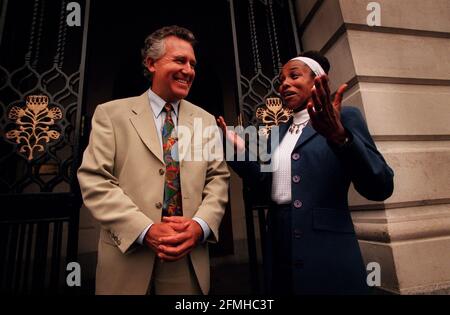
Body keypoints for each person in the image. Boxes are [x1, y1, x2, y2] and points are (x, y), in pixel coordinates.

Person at [218, 51, 394, 294]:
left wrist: (340, 138)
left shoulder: (344, 117)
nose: (285, 84)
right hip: (278, 238)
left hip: (326, 245)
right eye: (281, 80)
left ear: (318, 80)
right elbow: (263, 187)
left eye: (294, 76)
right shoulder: (277, 133)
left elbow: (381, 186)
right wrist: (237, 150)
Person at [78, 25, 230, 295]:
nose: (189, 70)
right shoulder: (111, 115)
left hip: (187, 260)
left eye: (193, 64)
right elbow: (95, 178)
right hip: (126, 258)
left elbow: (217, 178)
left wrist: (200, 225)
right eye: (180, 60)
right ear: (151, 63)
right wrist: (144, 230)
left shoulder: (205, 120)